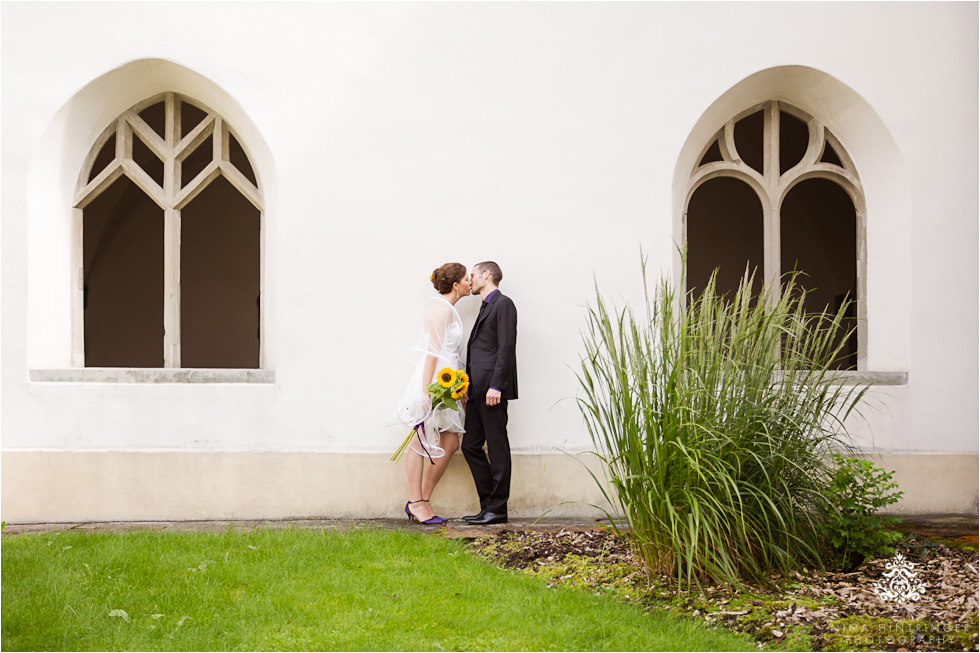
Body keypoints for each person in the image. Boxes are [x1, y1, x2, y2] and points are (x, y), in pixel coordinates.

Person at [391, 263, 472, 525]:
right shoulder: (440, 311)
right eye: (467, 277)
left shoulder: (448, 310)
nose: (471, 281)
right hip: (435, 380)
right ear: (457, 285)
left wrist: (459, 386)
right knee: (421, 440)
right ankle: (416, 501)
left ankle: (422, 500)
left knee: (449, 443)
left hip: (448, 381)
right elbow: (432, 354)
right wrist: (427, 393)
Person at [461, 261, 518, 526]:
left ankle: (497, 509)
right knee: (470, 446)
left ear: (486, 275)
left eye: (472, 274)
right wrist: (467, 386)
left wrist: (497, 385)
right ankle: (489, 506)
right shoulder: (486, 306)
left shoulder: (503, 304)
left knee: (497, 447)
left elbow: (505, 348)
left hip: (491, 390)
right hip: (476, 390)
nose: (470, 280)